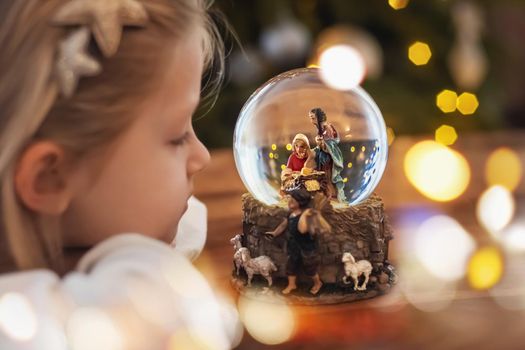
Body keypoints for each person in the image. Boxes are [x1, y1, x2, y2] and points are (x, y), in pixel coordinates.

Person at [0, 1, 240, 349]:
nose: (201, 156)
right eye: (175, 137)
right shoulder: (25, 325)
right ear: (49, 178)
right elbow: (169, 313)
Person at [266, 189, 323, 295]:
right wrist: (274, 233)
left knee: (310, 267)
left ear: (301, 203)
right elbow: (284, 225)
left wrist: (304, 215)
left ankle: (317, 283)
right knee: (291, 265)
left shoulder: (307, 215)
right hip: (294, 245)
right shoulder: (291, 214)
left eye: (293, 201)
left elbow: (302, 230)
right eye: (290, 200)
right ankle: (292, 284)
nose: (290, 202)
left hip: (307, 246)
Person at [309, 107, 346, 202]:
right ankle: (325, 194)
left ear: (319, 118)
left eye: (313, 118)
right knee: (322, 177)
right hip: (322, 158)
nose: (311, 120)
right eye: (310, 118)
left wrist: (321, 143)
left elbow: (331, 144)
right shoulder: (320, 129)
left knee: (328, 177)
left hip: (327, 159)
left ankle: (332, 194)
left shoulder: (327, 128)